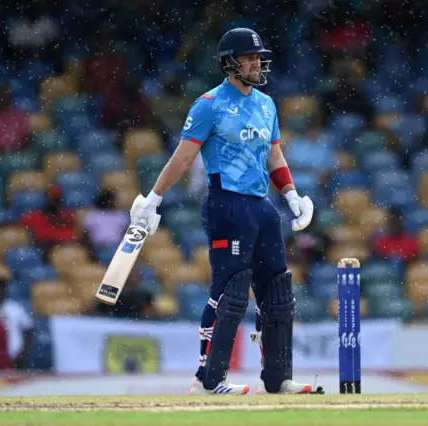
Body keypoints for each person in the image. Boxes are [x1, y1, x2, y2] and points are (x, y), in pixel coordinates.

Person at [129, 28, 315, 395]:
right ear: (230, 63)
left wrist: (291, 194)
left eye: (259, 57)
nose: (257, 63)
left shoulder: (266, 104)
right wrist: (153, 199)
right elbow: (182, 158)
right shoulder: (209, 104)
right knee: (231, 291)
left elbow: (274, 154)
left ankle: (278, 378)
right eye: (249, 57)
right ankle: (208, 380)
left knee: (276, 290)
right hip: (226, 204)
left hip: (262, 206)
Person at [0, 277, 35, 369]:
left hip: (15, 355)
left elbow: (29, 330)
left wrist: (23, 352)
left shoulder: (15, 308)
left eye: (0, 289)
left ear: (4, 291)